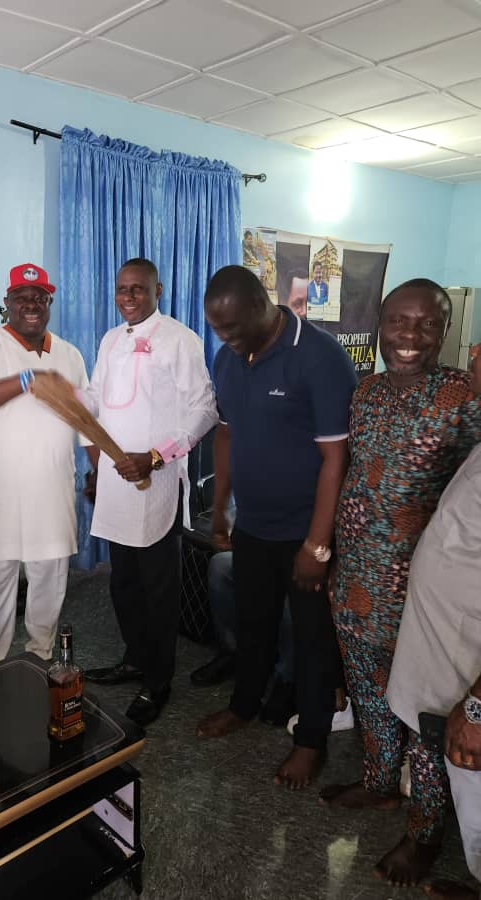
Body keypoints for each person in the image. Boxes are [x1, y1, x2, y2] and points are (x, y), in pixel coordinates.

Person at [322, 279, 481, 887]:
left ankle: (424, 832)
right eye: (398, 321)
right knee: (369, 696)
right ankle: (379, 784)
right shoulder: (365, 392)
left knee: (424, 718)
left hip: (423, 598)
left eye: (427, 324)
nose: (410, 336)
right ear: (380, 323)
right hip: (355, 580)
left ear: (445, 331)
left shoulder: (463, 397)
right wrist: (334, 558)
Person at [198, 265, 356, 790]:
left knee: (312, 639)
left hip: (306, 530)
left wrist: (318, 544)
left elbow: (335, 458)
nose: (226, 340)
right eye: (218, 330)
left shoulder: (319, 357)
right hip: (254, 525)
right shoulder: (228, 357)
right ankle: (244, 704)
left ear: (261, 306)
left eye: (233, 328)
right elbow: (226, 434)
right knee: (253, 623)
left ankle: (311, 741)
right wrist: (222, 506)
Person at [81, 258, 217, 727]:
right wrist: (65, 400)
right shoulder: (110, 340)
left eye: (138, 288)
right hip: (117, 485)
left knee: (159, 589)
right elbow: (96, 399)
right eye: (122, 288)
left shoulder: (180, 339)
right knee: (124, 584)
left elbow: (204, 410)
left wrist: (157, 456)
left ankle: (158, 681)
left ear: (158, 290)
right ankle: (135, 659)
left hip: (156, 482)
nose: (128, 297)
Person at [0, 263, 91, 665]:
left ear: (49, 303)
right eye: (22, 297)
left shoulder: (69, 353)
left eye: (40, 297)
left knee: (50, 574)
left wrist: (99, 470)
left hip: (53, 483)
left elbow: (86, 419)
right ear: (8, 302)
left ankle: (40, 655)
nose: (31, 304)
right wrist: (27, 380)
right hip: (3, 483)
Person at [386, 344, 481, 900]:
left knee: (472, 781)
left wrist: (478, 706)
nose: (474, 351)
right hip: (448, 647)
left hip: (469, 672)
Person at [189, 548, 297, 728]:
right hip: (266, 549)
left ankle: (287, 680)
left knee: (290, 595)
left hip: (303, 557)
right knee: (220, 565)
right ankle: (233, 652)